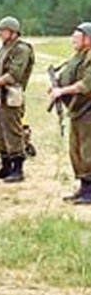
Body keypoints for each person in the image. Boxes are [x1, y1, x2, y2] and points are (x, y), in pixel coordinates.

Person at [0, 16, 35, 183]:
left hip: (11, 96)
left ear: (13, 32)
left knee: (13, 131)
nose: (0, 33)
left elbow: (14, 74)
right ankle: (5, 165)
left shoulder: (21, 49)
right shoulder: (4, 49)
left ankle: (18, 168)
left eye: (3, 30)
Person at [49, 22, 91, 204]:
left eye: (78, 37)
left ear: (88, 39)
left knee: (88, 150)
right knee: (76, 150)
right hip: (77, 111)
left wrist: (63, 91)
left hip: (88, 110)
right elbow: (66, 76)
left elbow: (86, 84)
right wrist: (55, 86)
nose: (74, 40)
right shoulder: (77, 57)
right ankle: (84, 187)